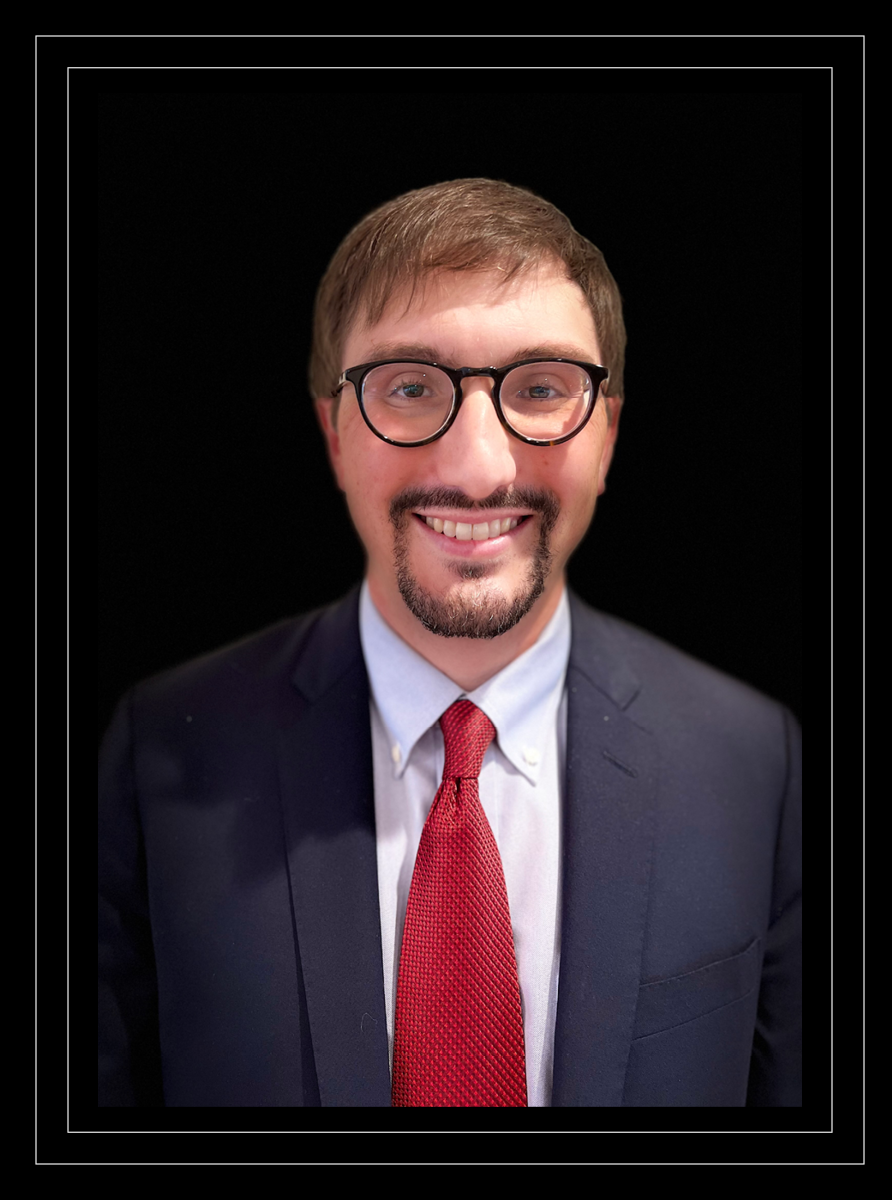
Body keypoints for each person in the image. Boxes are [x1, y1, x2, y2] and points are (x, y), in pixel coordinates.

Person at [98, 178, 801, 1108]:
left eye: (544, 387)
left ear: (610, 435)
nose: (477, 467)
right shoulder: (160, 754)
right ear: (334, 431)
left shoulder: (755, 760)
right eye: (409, 386)